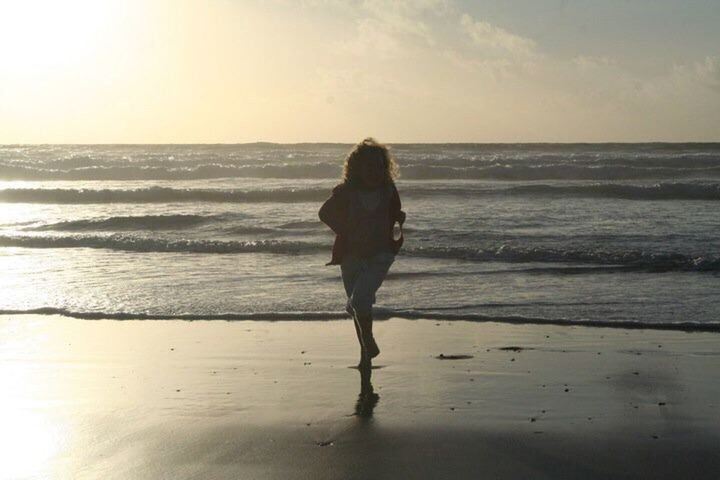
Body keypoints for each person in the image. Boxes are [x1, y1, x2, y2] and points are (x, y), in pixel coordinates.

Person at [318, 137, 406, 367]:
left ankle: (368, 343)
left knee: (360, 301)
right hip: (351, 256)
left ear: (385, 168)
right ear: (356, 168)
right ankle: (365, 356)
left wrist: (398, 220)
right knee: (358, 305)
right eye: (368, 166)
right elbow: (324, 213)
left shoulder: (388, 190)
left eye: (379, 166)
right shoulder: (347, 192)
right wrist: (345, 230)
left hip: (381, 255)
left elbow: (395, 213)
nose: (374, 171)